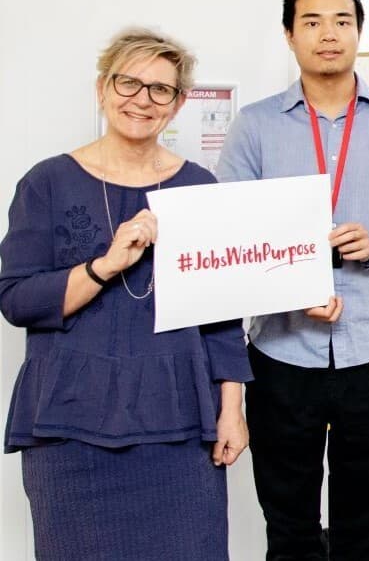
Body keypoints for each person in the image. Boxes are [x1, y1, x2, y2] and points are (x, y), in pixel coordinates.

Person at [217, 0, 369, 560]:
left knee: (363, 520)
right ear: (290, 35)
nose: (328, 34)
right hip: (280, 351)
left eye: (342, 22)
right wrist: (289, 287)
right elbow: (231, 231)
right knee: (288, 519)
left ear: (358, 33)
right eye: (312, 22)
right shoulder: (257, 126)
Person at [0, 28, 252, 561]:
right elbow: (19, 301)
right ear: (102, 88)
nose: (142, 99)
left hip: (180, 422)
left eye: (161, 89)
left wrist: (232, 408)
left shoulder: (199, 187)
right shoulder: (45, 183)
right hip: (70, 422)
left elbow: (223, 319)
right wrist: (106, 265)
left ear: (179, 103)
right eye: (128, 83)